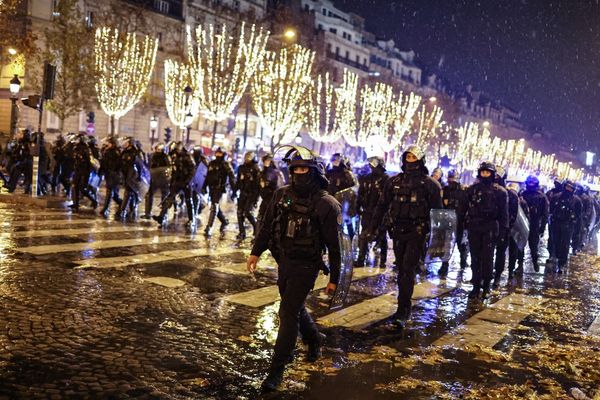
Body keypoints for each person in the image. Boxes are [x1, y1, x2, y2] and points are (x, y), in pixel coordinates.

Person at [246, 146, 341, 392]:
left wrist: (335, 279)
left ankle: (277, 368)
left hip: (307, 266)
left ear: (313, 171)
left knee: (286, 312)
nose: (299, 173)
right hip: (284, 262)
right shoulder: (281, 195)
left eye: (304, 169)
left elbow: (334, 246)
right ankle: (314, 339)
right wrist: (256, 252)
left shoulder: (326, 204)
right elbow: (267, 226)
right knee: (294, 307)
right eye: (296, 168)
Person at [369, 145, 442, 326]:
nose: (410, 160)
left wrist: (436, 239)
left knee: (408, 269)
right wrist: (372, 228)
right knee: (401, 269)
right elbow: (382, 205)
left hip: (417, 233)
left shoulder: (430, 184)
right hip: (397, 231)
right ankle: (402, 306)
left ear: (420, 160)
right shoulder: (394, 182)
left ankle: (404, 310)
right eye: (407, 157)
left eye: (413, 157)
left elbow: (438, 213)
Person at [464, 162, 508, 299]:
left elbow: (503, 214)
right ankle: (476, 286)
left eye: (487, 172)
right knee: (475, 258)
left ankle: (486, 286)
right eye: (482, 172)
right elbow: (463, 209)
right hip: (475, 227)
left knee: (488, 259)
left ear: (492, 174)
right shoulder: (472, 190)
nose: (485, 175)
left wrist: (502, 233)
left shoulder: (500, 191)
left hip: (490, 227)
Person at [355, 156, 389, 268]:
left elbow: (389, 197)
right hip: (367, 211)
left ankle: (383, 261)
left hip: (380, 212)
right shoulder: (366, 178)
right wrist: (357, 206)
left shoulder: (386, 179)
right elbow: (360, 194)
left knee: (381, 236)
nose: (371, 167)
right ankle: (361, 259)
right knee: (364, 234)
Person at [153, 142, 196, 228]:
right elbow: (174, 171)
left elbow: (192, 170)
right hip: (178, 181)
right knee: (169, 198)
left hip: (186, 182)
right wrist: (172, 182)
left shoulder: (187, 157)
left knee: (189, 201)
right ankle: (161, 217)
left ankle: (192, 219)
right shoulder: (175, 157)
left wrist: (187, 181)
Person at [492, 166, 519, 287]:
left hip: (503, 228)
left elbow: (513, 213)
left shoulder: (510, 195)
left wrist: (507, 227)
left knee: (500, 253)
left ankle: (497, 275)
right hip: (488, 226)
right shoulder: (484, 189)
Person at [438, 169, 468, 276]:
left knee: (461, 245)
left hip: (460, 221)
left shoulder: (463, 191)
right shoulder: (445, 190)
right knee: (446, 245)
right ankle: (444, 265)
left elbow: (466, 207)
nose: (451, 181)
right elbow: (441, 205)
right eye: (450, 178)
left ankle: (463, 263)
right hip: (447, 222)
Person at [548, 180, 582, 273]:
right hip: (556, 223)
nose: (568, 189)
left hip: (568, 224)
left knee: (565, 245)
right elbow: (551, 210)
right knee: (556, 242)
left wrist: (574, 223)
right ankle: (556, 256)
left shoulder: (577, 200)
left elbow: (578, 215)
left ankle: (561, 264)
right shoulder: (556, 197)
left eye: (571, 188)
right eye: (567, 187)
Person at [203, 147, 235, 236]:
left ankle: (209, 227)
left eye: (220, 153)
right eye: (217, 153)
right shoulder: (212, 163)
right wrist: (204, 186)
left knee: (214, 206)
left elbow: (232, 177)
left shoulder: (225, 164)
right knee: (215, 206)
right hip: (211, 188)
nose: (218, 155)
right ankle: (224, 221)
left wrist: (234, 190)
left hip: (219, 188)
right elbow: (207, 176)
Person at [521, 175, 549, 272]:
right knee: (521, 246)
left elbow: (545, 213)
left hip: (534, 223)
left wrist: (542, 226)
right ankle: (520, 264)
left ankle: (535, 262)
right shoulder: (523, 194)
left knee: (533, 246)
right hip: (523, 222)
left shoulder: (541, 197)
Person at [233, 151, 261, 239]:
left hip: (251, 194)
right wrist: (234, 191)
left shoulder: (256, 169)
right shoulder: (241, 168)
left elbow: (258, 186)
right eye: (246, 157)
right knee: (239, 213)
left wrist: (256, 199)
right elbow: (238, 181)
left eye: (249, 157)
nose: (247, 159)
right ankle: (242, 232)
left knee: (248, 213)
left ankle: (256, 227)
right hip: (242, 193)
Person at [256, 153, 285, 233]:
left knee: (268, 219)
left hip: (272, 199)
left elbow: (278, 186)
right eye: (265, 161)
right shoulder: (264, 171)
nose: (266, 162)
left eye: (268, 160)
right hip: (266, 198)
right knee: (261, 217)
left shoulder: (274, 172)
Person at [69, 134, 97, 210]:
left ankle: (93, 201)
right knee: (75, 186)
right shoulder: (76, 148)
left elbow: (90, 161)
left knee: (82, 189)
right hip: (77, 170)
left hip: (84, 171)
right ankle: (75, 203)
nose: (75, 140)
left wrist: (88, 172)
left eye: (77, 139)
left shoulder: (86, 149)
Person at [507, 182, 529, 277]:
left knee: (514, 250)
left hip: (515, 229)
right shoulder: (505, 199)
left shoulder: (522, 202)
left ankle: (512, 269)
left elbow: (525, 216)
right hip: (506, 228)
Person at [143, 143, 171, 219]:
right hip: (154, 178)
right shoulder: (152, 156)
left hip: (163, 179)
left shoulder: (166, 157)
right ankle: (147, 213)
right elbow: (149, 165)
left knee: (164, 196)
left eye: (159, 149)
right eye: (157, 149)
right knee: (149, 195)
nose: (157, 150)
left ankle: (164, 214)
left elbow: (169, 167)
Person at [99, 136, 123, 217]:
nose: (107, 144)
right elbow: (103, 162)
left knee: (109, 192)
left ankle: (105, 208)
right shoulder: (106, 151)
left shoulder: (116, 152)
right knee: (115, 195)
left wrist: (115, 171)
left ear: (113, 144)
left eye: (109, 143)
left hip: (114, 175)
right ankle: (123, 204)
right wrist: (101, 171)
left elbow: (119, 164)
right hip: (108, 174)